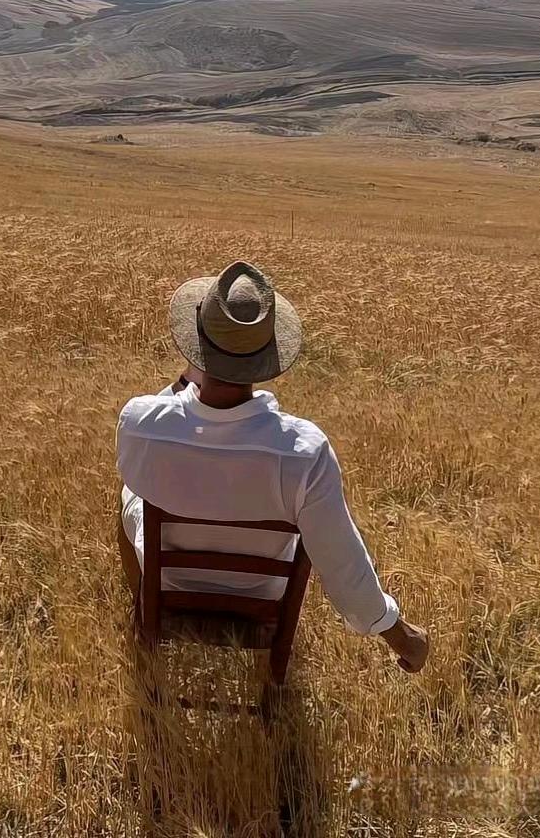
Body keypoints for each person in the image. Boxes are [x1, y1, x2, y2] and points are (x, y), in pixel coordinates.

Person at [116, 260, 429, 674]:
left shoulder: (141, 426)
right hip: (262, 591)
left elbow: (166, 410)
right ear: (268, 355)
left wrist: (189, 379)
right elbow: (343, 562)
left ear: (194, 345)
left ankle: (143, 607)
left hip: (169, 584)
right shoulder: (304, 452)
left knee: (127, 490)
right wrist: (401, 636)